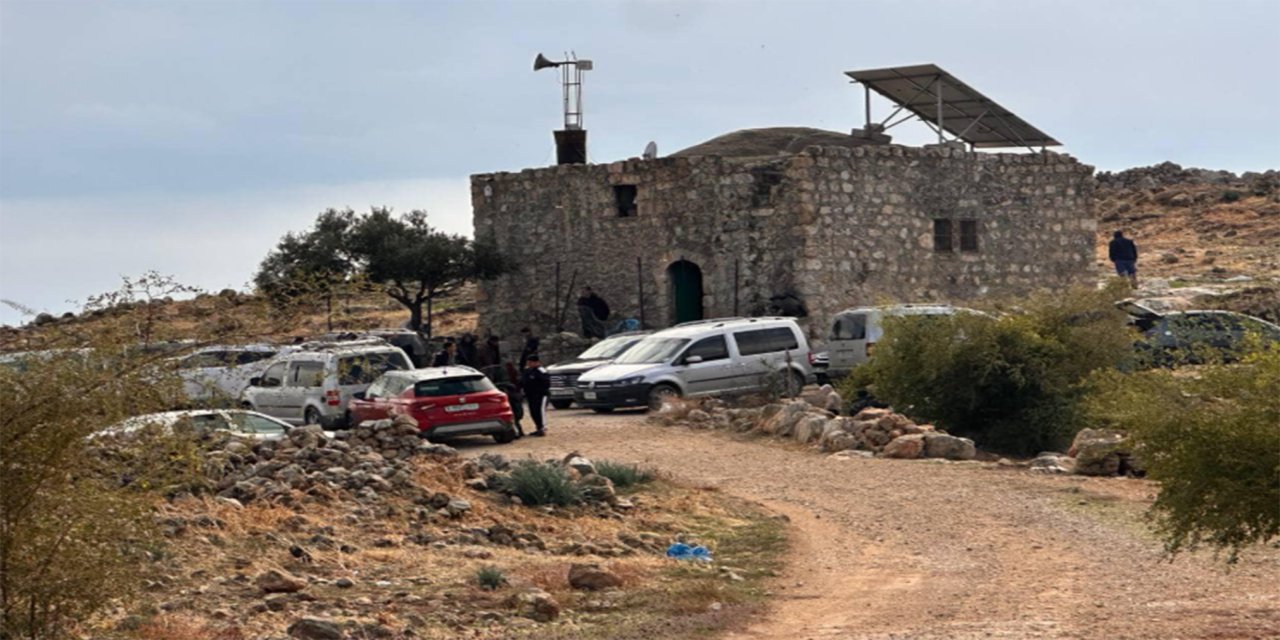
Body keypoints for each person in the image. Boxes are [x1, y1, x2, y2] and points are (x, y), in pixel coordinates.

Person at [520, 354, 551, 437]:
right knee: (533, 412)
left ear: (536, 362)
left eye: (531, 362)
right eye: (528, 362)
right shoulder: (527, 371)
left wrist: (539, 390)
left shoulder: (541, 371)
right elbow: (523, 382)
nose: (529, 364)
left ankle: (543, 428)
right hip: (530, 395)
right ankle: (538, 427)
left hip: (541, 395)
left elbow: (546, 383)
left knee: (540, 411)